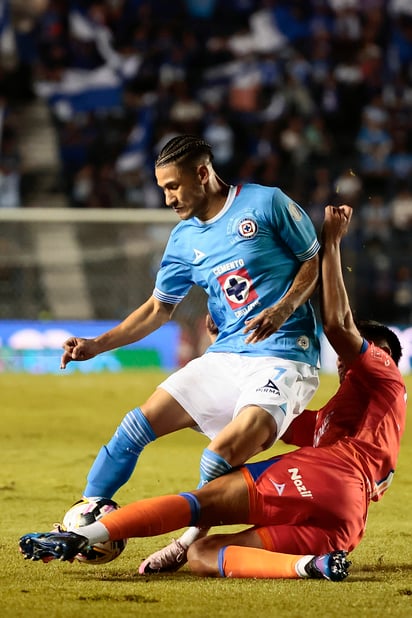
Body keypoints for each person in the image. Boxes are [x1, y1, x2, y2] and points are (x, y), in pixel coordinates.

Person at [19, 205, 406, 582]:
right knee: (204, 556)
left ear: (383, 353)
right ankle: (309, 566)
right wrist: (229, 358)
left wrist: (332, 244)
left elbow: (338, 326)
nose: (342, 359)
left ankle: (82, 534)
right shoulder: (339, 420)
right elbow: (272, 419)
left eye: (355, 351)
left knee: (205, 493)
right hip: (344, 524)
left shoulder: (386, 375)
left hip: (328, 479)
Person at [57, 134, 321, 571]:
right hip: (225, 356)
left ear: (202, 173)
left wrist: (284, 308)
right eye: (163, 189)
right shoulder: (183, 241)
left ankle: (185, 544)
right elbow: (158, 309)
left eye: (173, 186)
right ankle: (86, 515)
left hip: (284, 355)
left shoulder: (266, 203)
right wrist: (96, 345)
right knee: (135, 425)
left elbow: (314, 261)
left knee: (218, 456)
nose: (167, 198)